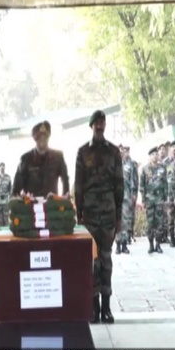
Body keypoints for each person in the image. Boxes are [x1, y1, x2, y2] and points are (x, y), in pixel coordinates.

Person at [74, 110, 123, 324]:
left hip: (109, 212)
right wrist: (79, 215)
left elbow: (119, 184)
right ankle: (93, 307)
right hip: (91, 215)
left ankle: (107, 307)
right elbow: (79, 185)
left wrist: (119, 215)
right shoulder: (83, 152)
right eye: (96, 123)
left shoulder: (114, 152)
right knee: (92, 261)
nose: (100, 126)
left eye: (102, 122)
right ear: (91, 126)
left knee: (106, 260)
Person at [12, 121, 69, 197]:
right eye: (39, 138)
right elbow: (17, 186)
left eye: (45, 138)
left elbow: (65, 180)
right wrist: (17, 202)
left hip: (51, 205)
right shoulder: (25, 159)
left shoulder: (58, 157)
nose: (42, 141)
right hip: (30, 205)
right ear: (35, 139)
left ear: (48, 138)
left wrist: (64, 200)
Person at [140, 146, 167, 254]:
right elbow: (142, 185)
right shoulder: (145, 169)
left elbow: (165, 183)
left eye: (156, 154)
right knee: (150, 223)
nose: (155, 156)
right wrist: (143, 200)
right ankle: (151, 244)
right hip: (149, 199)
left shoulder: (162, 168)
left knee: (160, 222)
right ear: (149, 156)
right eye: (153, 155)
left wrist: (165, 197)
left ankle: (158, 244)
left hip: (159, 198)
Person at [116, 145, 137, 255]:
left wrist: (133, 194)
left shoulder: (130, 165)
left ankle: (124, 244)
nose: (121, 153)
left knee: (126, 220)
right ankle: (118, 244)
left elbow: (133, 180)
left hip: (126, 196)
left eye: (122, 152)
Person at [164, 141, 175, 247]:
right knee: (170, 217)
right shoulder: (165, 163)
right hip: (169, 194)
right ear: (169, 149)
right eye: (172, 147)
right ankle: (172, 238)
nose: (174, 149)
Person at [0, 162, 12, 227]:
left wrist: (10, 199)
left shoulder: (8, 177)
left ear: (5, 168)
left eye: (3, 166)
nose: (2, 167)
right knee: (0, 219)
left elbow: (10, 190)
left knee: (6, 219)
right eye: (1, 166)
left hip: (6, 201)